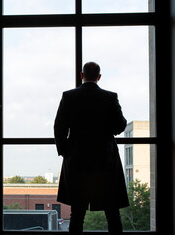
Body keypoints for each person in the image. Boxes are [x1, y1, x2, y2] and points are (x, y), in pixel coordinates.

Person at [54, 62, 129, 235]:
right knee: (112, 213)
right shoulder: (110, 97)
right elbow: (119, 126)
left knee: (77, 214)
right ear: (99, 77)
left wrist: (65, 151)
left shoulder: (68, 96)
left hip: (77, 160)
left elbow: (59, 128)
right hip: (105, 160)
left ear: (82, 75)